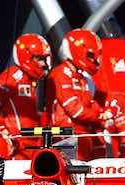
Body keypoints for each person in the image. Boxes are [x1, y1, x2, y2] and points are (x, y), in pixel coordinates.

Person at [47, 28, 110, 161]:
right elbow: (75, 110)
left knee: (93, 175)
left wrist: (105, 112)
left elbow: (89, 104)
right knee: (73, 177)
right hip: (66, 135)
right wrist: (102, 115)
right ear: (78, 52)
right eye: (91, 56)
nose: (96, 61)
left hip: (83, 133)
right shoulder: (61, 74)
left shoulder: (81, 77)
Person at [0, 33, 52, 160]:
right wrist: (4, 132)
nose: (44, 64)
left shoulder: (32, 81)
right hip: (17, 147)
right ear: (27, 57)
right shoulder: (12, 77)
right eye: (40, 59)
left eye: (45, 59)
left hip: (32, 144)